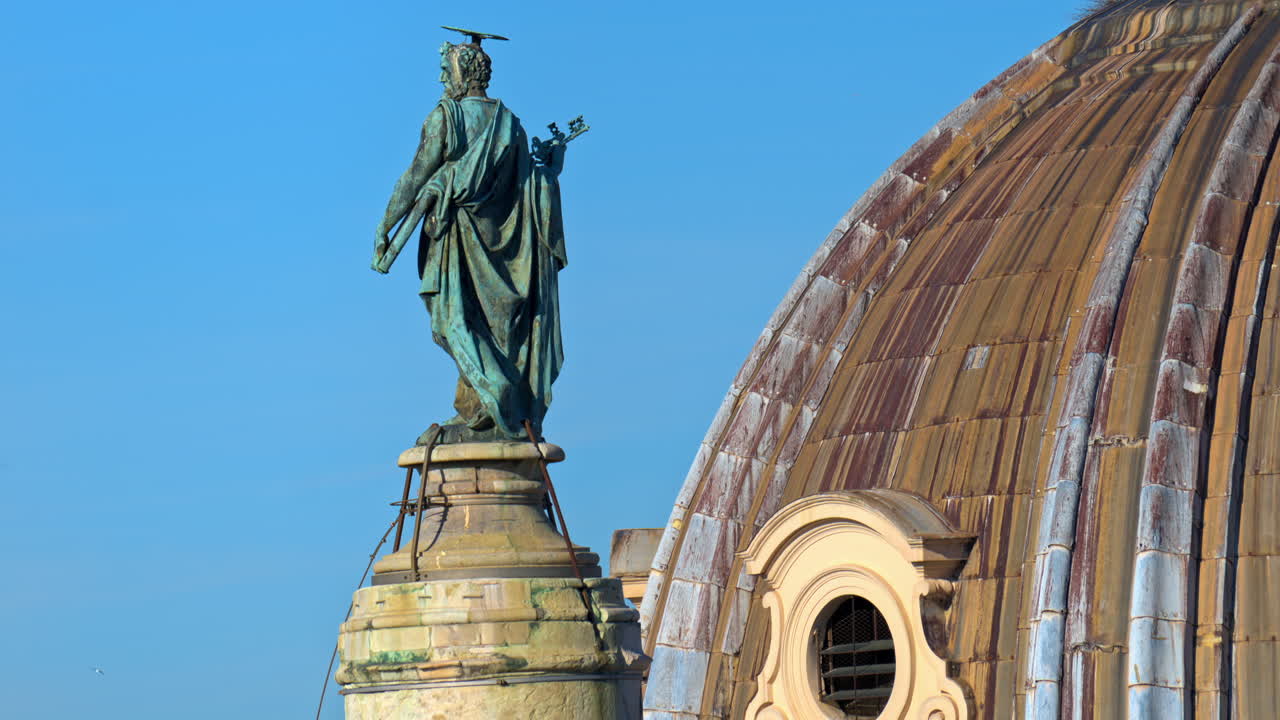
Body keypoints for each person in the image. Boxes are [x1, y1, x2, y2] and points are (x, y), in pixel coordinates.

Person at [372, 40, 567, 444]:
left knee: (449, 323)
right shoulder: (509, 122)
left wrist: (385, 225)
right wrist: (551, 170)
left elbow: (415, 176)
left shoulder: (446, 117)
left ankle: (498, 392)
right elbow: (528, 186)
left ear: (462, 72)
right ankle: (479, 408)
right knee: (489, 331)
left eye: (447, 70)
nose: (443, 78)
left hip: (458, 242)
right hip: (507, 251)